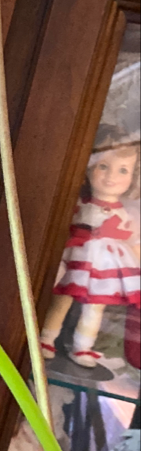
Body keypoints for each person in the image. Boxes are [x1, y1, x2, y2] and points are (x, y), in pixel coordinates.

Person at [40, 140, 141, 367]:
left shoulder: (127, 214)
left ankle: (83, 346)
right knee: (62, 299)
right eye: (103, 166)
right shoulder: (79, 205)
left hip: (105, 266)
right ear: (90, 168)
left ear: (133, 177)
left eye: (123, 170)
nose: (111, 176)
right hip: (77, 258)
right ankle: (46, 338)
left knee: (95, 307)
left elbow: (134, 241)